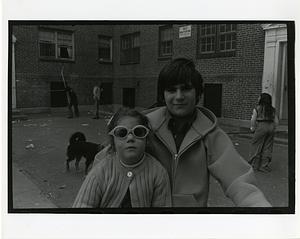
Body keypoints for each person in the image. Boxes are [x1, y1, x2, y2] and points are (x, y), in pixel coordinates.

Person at [144, 58, 271, 207]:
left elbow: (237, 178)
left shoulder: (210, 133)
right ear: (163, 94)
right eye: (172, 90)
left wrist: (259, 210)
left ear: (197, 93)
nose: (179, 96)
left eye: (185, 89)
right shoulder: (145, 126)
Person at [73, 108, 171, 208]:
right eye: (121, 133)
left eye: (138, 132)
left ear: (147, 138)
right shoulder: (100, 172)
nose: (130, 138)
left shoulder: (158, 173)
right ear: (113, 141)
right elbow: (83, 206)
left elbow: (162, 215)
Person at [249, 93, 279, 172]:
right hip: (271, 126)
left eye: (259, 97)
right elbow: (276, 121)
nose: (258, 98)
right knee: (267, 146)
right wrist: (274, 128)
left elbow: (253, 119)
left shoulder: (257, 108)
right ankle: (264, 166)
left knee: (256, 145)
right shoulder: (273, 109)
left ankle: (254, 165)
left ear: (262, 99)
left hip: (261, 126)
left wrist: (253, 128)